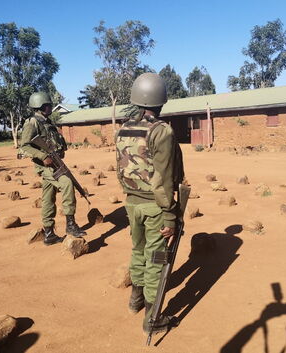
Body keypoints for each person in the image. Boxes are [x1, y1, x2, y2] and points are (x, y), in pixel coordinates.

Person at [115, 73, 184, 334]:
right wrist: (170, 215)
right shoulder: (162, 131)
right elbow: (165, 178)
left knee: (138, 251)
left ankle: (136, 300)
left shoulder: (122, 129)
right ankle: (152, 319)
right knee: (156, 259)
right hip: (155, 206)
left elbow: (120, 168)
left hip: (131, 204)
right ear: (160, 101)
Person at [20, 92, 87, 245]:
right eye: (49, 105)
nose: (51, 107)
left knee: (48, 197)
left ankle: (49, 233)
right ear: (42, 106)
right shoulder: (32, 122)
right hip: (46, 166)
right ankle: (70, 225)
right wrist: (43, 157)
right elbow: (24, 146)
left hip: (54, 163)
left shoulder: (47, 122)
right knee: (67, 183)